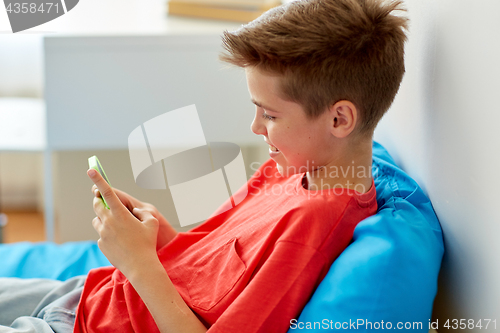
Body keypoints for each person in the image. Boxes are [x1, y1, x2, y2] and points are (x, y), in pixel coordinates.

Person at [0, 0, 407, 332]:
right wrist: (158, 236)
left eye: (269, 115)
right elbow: (206, 276)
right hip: (87, 295)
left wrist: (138, 262)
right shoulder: (285, 170)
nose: (255, 127)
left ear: (339, 120)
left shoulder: (311, 226)